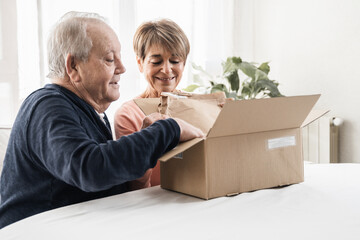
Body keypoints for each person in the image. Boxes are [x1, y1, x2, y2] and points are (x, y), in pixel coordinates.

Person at [0, 12, 203, 229]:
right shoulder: (47, 105)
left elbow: (109, 178)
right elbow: (90, 168)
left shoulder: (89, 112)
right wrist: (169, 129)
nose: (122, 68)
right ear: (73, 66)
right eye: (109, 59)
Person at [114, 19, 190, 189]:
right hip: (154, 205)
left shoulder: (196, 106)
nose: (167, 69)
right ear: (140, 63)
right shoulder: (128, 115)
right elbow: (135, 186)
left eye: (175, 61)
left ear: (184, 64)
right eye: (156, 62)